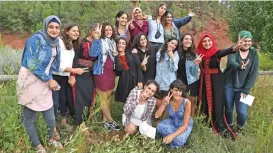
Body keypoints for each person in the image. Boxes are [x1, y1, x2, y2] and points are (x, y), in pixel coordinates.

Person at [17, 15, 63, 153]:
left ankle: (50, 140)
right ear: (45, 26)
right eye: (51, 27)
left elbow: (54, 62)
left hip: (45, 78)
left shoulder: (56, 41)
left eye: (57, 27)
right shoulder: (36, 39)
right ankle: (38, 146)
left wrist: (51, 78)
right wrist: (49, 79)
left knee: (50, 116)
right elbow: (31, 63)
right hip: (30, 79)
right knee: (29, 117)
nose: (54, 30)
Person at [196, 33, 245, 138]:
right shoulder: (198, 53)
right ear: (201, 43)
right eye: (204, 41)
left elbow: (225, 51)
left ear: (212, 42)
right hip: (203, 81)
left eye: (209, 41)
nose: (207, 43)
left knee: (217, 102)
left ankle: (219, 125)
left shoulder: (216, 53)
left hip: (216, 81)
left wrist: (235, 47)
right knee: (204, 102)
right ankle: (206, 124)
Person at [224, 31, 259, 134]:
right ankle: (229, 127)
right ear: (239, 40)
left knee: (242, 112)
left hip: (244, 88)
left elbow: (254, 73)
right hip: (228, 85)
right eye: (244, 41)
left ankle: (240, 128)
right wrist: (240, 67)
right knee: (228, 108)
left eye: (249, 41)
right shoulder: (233, 49)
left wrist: (246, 89)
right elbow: (231, 63)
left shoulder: (254, 53)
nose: (247, 43)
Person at [52, 23, 86, 127]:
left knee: (63, 100)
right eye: (73, 30)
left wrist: (72, 73)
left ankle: (62, 121)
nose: (76, 33)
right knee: (55, 102)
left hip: (64, 76)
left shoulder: (71, 45)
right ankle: (52, 125)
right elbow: (58, 65)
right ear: (67, 31)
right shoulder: (60, 43)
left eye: (77, 31)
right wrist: (74, 71)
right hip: (56, 76)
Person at [89, 22, 120, 131]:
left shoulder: (113, 42)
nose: (108, 31)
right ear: (103, 32)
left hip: (111, 72)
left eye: (110, 30)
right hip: (101, 72)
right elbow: (92, 54)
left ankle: (105, 121)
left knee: (107, 97)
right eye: (106, 30)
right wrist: (96, 39)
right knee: (102, 97)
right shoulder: (99, 41)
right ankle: (111, 121)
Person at [72, 24, 98, 126]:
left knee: (89, 96)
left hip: (91, 74)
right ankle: (80, 122)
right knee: (80, 97)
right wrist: (73, 74)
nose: (97, 33)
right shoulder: (81, 42)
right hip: (80, 72)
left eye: (99, 31)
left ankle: (87, 120)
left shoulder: (98, 43)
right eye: (95, 30)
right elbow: (74, 58)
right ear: (90, 30)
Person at [155, 80, 193, 149]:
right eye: (176, 90)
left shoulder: (187, 103)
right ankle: (172, 141)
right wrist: (164, 104)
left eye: (180, 91)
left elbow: (185, 125)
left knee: (178, 139)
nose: (178, 93)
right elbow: (156, 116)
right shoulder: (167, 99)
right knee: (159, 126)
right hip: (172, 122)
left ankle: (172, 140)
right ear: (171, 89)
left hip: (183, 126)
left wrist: (172, 136)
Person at [177, 33, 200, 117]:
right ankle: (181, 120)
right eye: (186, 39)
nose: (188, 41)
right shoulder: (177, 52)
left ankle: (191, 120)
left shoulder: (194, 54)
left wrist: (195, 64)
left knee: (192, 100)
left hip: (191, 81)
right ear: (182, 41)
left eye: (190, 39)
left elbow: (194, 73)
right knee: (181, 101)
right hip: (179, 80)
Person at [115, 37, 143, 103]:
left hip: (134, 78)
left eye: (123, 43)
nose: (121, 45)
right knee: (126, 101)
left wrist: (140, 80)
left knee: (136, 100)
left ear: (126, 45)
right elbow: (118, 70)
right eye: (119, 43)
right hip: (124, 80)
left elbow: (138, 67)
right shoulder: (114, 56)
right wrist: (116, 56)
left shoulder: (131, 53)